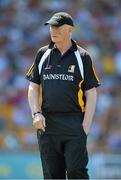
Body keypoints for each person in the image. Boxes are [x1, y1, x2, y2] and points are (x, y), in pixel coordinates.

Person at [26, 12, 100, 179]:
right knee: (52, 176)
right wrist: (36, 113)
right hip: (47, 124)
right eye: (51, 27)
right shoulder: (42, 54)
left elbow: (91, 92)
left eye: (58, 27)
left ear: (70, 30)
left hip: (74, 123)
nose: (53, 30)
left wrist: (85, 127)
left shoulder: (83, 57)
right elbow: (33, 87)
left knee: (76, 172)